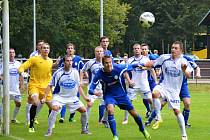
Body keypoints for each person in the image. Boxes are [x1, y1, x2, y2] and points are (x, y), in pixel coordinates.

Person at [88, 55, 151, 140]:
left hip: (122, 95)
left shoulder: (118, 68)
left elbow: (132, 65)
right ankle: (115, 136)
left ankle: (142, 129)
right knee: (110, 109)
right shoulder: (99, 73)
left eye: (110, 62)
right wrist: (94, 92)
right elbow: (90, 88)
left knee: (134, 114)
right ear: (103, 64)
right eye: (106, 63)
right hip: (109, 95)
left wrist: (143, 63)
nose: (109, 65)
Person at [145, 41, 192, 140]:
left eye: (176, 48)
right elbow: (154, 63)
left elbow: (188, 75)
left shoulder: (184, 61)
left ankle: (184, 134)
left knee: (176, 111)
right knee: (154, 93)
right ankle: (158, 117)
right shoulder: (164, 58)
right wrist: (149, 64)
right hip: (163, 86)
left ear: (181, 50)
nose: (173, 49)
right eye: (172, 47)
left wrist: (184, 70)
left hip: (174, 91)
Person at [43, 56, 91, 136]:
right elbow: (50, 85)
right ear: (64, 62)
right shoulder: (58, 73)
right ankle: (49, 131)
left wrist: (85, 97)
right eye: (68, 61)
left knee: (84, 110)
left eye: (71, 61)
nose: (70, 62)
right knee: (54, 109)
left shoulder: (75, 72)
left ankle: (84, 130)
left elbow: (78, 86)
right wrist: (44, 97)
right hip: (59, 97)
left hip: (72, 97)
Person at [18, 42, 53, 133]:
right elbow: (22, 67)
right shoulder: (34, 59)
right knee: (35, 102)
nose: (45, 49)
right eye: (44, 48)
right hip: (34, 85)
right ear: (40, 50)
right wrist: (22, 73)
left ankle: (50, 123)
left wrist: (51, 85)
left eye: (47, 48)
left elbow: (49, 75)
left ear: (49, 50)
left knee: (52, 107)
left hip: (45, 87)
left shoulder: (50, 61)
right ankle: (31, 125)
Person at [122, 43, 153, 125]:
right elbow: (125, 72)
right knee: (128, 102)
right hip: (134, 84)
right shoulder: (129, 60)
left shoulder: (146, 59)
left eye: (138, 48)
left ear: (140, 50)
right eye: (135, 48)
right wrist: (129, 81)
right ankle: (126, 119)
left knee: (151, 100)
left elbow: (151, 68)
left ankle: (155, 116)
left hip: (144, 84)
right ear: (133, 50)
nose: (137, 50)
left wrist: (156, 81)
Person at [80, 46, 107, 129]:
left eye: (100, 51)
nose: (99, 53)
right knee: (89, 104)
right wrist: (81, 80)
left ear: (103, 53)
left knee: (109, 105)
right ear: (95, 53)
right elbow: (82, 70)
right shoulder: (90, 62)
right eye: (97, 51)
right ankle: (86, 123)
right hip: (93, 88)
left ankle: (104, 120)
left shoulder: (107, 62)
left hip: (105, 88)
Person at [57, 43, 84, 123]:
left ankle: (71, 117)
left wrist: (81, 80)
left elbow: (82, 70)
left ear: (74, 50)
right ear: (66, 50)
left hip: (75, 84)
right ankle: (62, 117)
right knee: (64, 99)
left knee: (75, 100)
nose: (70, 49)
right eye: (69, 48)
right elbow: (60, 70)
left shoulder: (78, 59)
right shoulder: (63, 59)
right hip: (65, 83)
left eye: (72, 48)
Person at [0, 48, 24, 123]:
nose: (11, 54)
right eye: (10, 52)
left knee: (18, 103)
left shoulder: (18, 64)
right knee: (4, 102)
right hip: (6, 87)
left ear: (15, 54)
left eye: (13, 52)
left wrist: (22, 84)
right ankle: (0, 118)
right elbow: (0, 75)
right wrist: (4, 80)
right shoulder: (3, 63)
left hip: (15, 88)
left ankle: (13, 118)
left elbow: (21, 75)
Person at [26, 40, 45, 125]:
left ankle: (34, 117)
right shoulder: (33, 55)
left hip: (42, 81)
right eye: (39, 45)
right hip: (33, 81)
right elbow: (30, 65)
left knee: (41, 101)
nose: (41, 46)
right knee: (30, 100)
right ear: (37, 47)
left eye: (42, 45)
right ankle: (28, 119)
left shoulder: (46, 55)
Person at [141, 44, 158, 118]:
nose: (144, 50)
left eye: (145, 49)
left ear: (148, 50)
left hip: (151, 81)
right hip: (143, 81)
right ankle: (149, 110)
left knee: (154, 95)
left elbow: (153, 68)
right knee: (145, 98)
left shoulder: (151, 57)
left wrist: (156, 80)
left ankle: (155, 111)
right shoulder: (140, 59)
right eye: (143, 49)